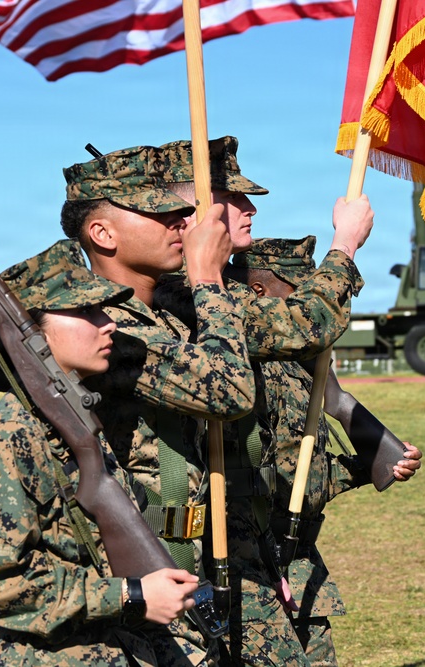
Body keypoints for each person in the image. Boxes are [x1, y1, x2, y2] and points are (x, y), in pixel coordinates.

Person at [151, 136, 375, 666]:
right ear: (194, 210)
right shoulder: (185, 297)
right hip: (184, 542)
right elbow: (307, 323)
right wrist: (344, 245)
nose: (250, 208)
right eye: (233, 198)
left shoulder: (207, 293)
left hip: (240, 540)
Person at [0, 239, 202, 667]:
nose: (108, 323)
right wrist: (130, 595)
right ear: (32, 335)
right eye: (86, 312)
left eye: (102, 310)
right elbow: (2, 584)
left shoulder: (75, 412)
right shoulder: (14, 431)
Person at [61, 144, 257, 666]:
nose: (181, 221)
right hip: (139, 575)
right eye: (159, 212)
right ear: (102, 234)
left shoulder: (166, 319)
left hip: (189, 556)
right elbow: (228, 392)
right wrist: (207, 277)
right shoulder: (109, 333)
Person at [229, 236, 423, 667]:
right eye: (301, 291)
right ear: (258, 290)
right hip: (252, 564)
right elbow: (265, 472)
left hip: (299, 561)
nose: (312, 305)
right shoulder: (237, 363)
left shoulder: (302, 366)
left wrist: (368, 460)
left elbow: (305, 469)